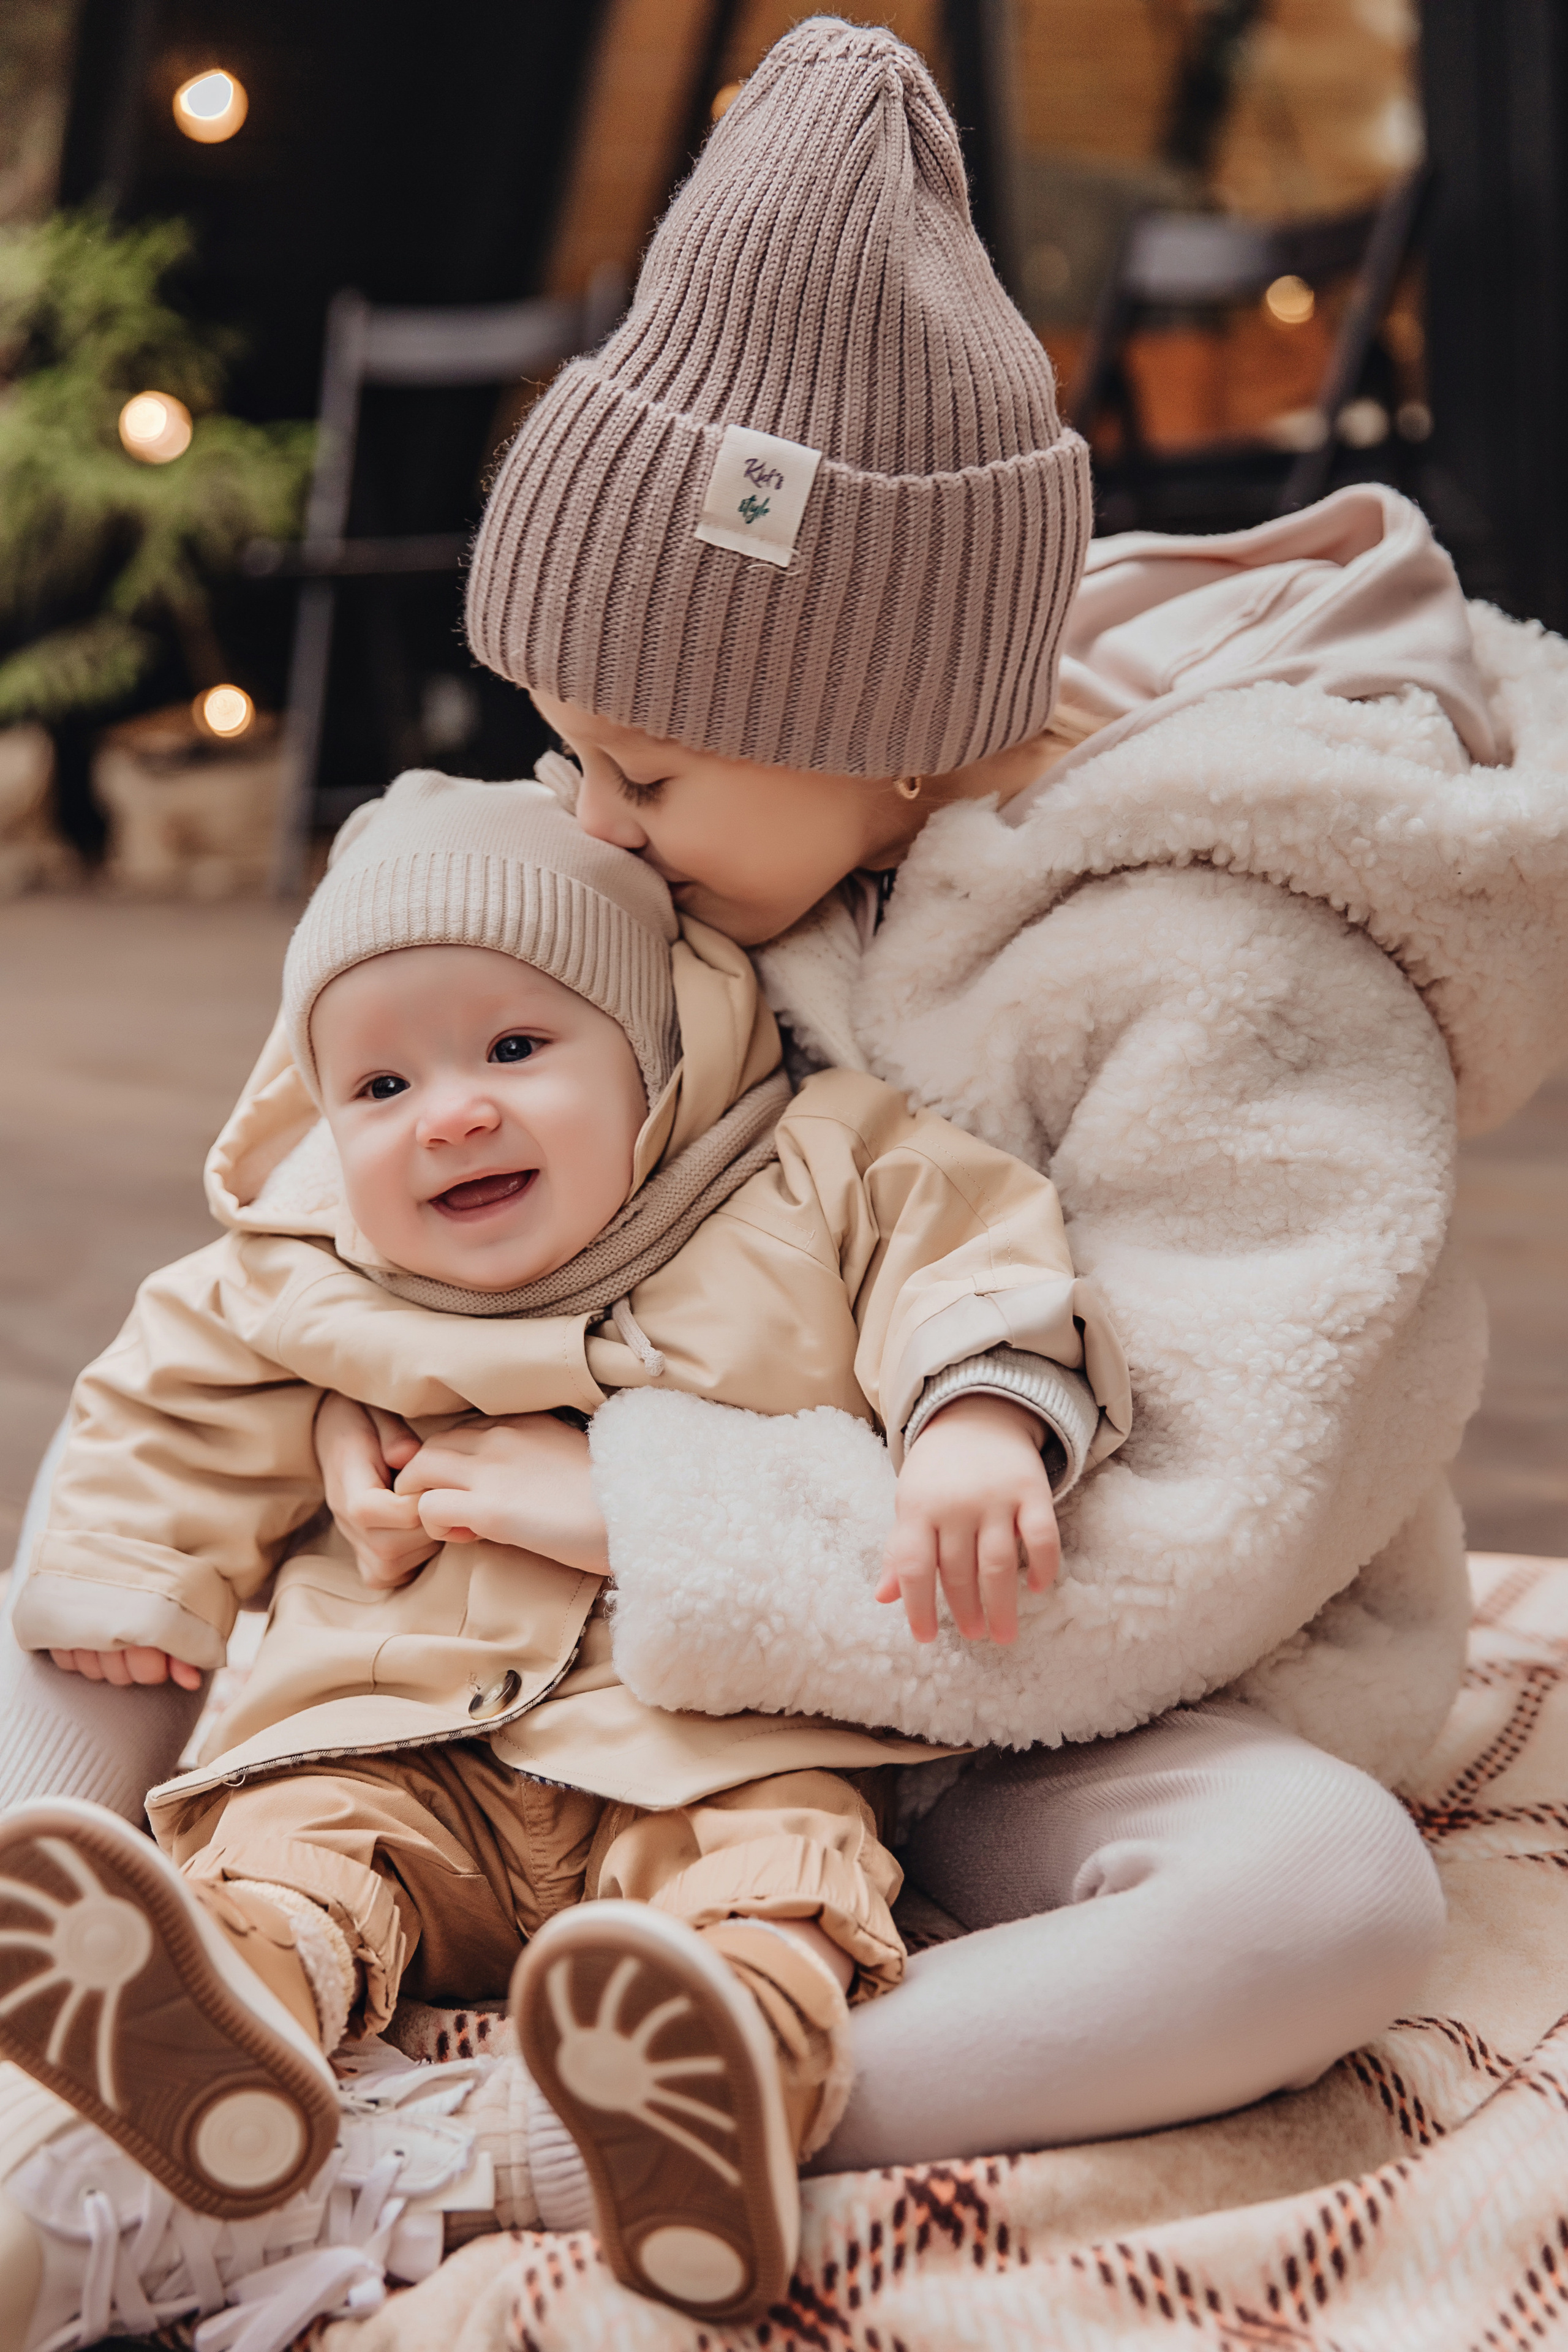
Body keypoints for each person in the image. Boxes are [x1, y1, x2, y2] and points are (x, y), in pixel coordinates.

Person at [0, 770, 1127, 2329]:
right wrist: (134, 1584)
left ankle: (703, 2073)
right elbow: (163, 1400)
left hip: (705, 1741)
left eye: (516, 1050)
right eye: (378, 1089)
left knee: (775, 1873)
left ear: (657, 1051)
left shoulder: (812, 1168)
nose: (449, 1111)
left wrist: (974, 1424)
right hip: (391, 1724)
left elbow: (970, 1257)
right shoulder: (310, 1265)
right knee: (301, 1841)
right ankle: (225, 2018)